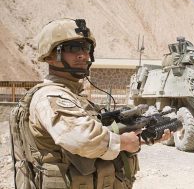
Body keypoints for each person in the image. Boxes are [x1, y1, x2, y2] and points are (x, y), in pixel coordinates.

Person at [10, 18, 171, 189]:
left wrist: (141, 139)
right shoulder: (52, 97)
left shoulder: (74, 96)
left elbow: (97, 145)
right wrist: (123, 142)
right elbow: (83, 139)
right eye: (73, 48)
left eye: (86, 48)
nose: (83, 55)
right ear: (50, 56)